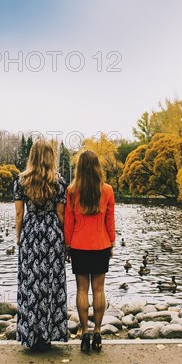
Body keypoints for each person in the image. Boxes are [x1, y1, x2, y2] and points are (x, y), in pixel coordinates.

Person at [13, 139, 68, 352]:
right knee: (51, 282)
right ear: (50, 157)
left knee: (30, 282)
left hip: (31, 233)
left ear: (32, 156)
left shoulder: (21, 180)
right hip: (52, 233)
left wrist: (19, 237)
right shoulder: (59, 181)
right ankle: (49, 334)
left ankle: (31, 334)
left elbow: (19, 214)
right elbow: (61, 213)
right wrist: (62, 239)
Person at [64, 150, 115, 353]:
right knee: (99, 289)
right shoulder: (108, 190)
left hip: (79, 245)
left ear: (79, 168)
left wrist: (67, 246)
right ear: (97, 168)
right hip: (101, 245)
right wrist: (111, 243)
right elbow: (109, 220)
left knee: (82, 290)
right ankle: (98, 332)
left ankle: (84, 332)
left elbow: (69, 222)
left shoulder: (71, 190)